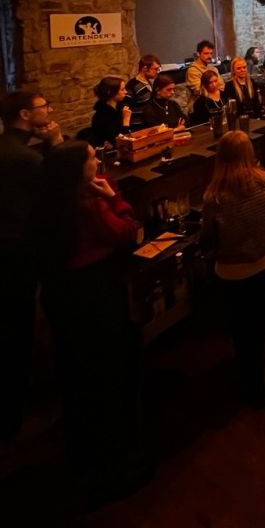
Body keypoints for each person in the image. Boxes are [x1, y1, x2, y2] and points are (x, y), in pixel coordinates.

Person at [39, 142, 144, 501]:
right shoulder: (89, 205)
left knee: (76, 375)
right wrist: (115, 198)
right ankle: (113, 468)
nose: (98, 161)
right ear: (78, 170)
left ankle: (81, 454)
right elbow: (127, 233)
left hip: (60, 294)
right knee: (107, 375)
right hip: (93, 294)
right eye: (92, 158)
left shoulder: (48, 202)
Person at [201, 132, 265, 409]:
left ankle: (252, 385)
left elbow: (208, 240)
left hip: (235, 271)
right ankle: (256, 357)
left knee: (242, 325)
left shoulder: (215, 197)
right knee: (255, 312)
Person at [0, 90, 62, 441]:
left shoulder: (9, 148)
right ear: (25, 114)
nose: (49, 109)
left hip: (7, 250)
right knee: (19, 329)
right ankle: (15, 416)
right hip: (20, 253)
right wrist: (55, 142)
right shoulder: (26, 158)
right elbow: (59, 194)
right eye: (43, 106)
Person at [90, 76, 132, 146]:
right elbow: (120, 141)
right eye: (122, 89)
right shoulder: (101, 115)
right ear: (110, 92)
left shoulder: (120, 108)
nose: (126, 92)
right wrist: (126, 120)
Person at [125, 54, 161, 129]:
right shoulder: (132, 85)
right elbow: (126, 107)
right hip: (138, 127)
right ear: (145, 68)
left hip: (150, 125)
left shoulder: (149, 82)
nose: (157, 72)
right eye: (155, 69)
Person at [185, 40, 224, 107]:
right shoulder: (192, 70)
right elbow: (200, 91)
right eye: (206, 53)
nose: (209, 56)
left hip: (217, 100)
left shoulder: (213, 68)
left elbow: (221, 86)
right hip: (202, 104)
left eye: (211, 53)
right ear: (198, 54)